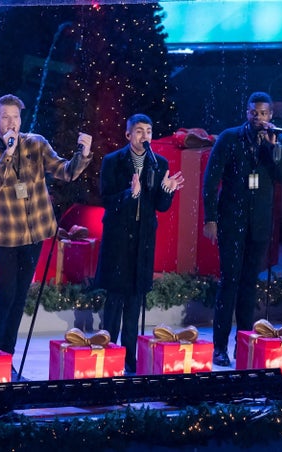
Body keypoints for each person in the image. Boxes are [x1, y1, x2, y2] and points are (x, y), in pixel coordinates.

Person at [0, 94, 93, 372]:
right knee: (6, 294)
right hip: (5, 235)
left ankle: (8, 356)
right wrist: (9, 153)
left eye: (15, 117)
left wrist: (83, 154)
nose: (11, 122)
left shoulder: (37, 143)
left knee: (20, 297)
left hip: (34, 234)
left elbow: (65, 172)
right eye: (5, 117)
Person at [202, 91, 282, 367]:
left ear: (271, 116)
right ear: (247, 113)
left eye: (264, 113)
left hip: (259, 225)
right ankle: (220, 347)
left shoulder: (278, 141)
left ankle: (244, 345)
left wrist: (274, 149)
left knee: (249, 286)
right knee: (229, 283)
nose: (259, 118)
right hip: (231, 222)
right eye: (254, 113)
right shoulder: (229, 138)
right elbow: (210, 182)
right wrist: (211, 219)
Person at [94, 113, 184, 374]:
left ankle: (131, 362)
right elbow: (106, 198)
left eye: (148, 131)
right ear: (128, 135)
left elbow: (161, 206)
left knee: (134, 304)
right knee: (114, 302)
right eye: (139, 131)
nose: (145, 136)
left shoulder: (159, 163)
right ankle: (108, 355)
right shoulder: (113, 161)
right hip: (118, 241)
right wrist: (129, 195)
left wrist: (167, 190)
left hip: (143, 241)